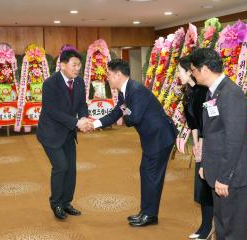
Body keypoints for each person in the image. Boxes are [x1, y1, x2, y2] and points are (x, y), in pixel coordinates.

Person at [92, 59, 177, 227]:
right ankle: (146, 212)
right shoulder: (125, 91)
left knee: (151, 175)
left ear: (118, 75)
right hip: (152, 138)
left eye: (109, 74)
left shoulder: (136, 91)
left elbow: (133, 118)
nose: (107, 78)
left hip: (160, 138)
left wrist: (125, 112)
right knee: (146, 173)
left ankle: (150, 215)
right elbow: (118, 111)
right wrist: (94, 124)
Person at [189, 48, 247, 240]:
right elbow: (213, 133)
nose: (192, 74)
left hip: (231, 175)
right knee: (222, 224)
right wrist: (207, 167)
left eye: (193, 70)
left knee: (232, 228)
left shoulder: (231, 93)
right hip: (218, 169)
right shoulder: (213, 92)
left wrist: (224, 177)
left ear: (205, 69)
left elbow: (234, 140)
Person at [36, 49, 92, 220]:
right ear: (62, 65)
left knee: (71, 170)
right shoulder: (50, 83)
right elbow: (52, 111)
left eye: (79, 65)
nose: (77, 68)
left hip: (68, 133)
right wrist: (76, 122)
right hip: (50, 133)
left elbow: (82, 103)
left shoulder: (80, 82)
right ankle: (56, 203)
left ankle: (67, 202)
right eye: (74, 65)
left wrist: (83, 117)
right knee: (61, 166)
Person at [178, 56, 213, 240]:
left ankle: (207, 228)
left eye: (180, 71)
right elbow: (193, 123)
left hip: (209, 142)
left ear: (190, 71)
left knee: (206, 187)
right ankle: (205, 226)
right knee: (201, 187)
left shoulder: (203, 92)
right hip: (200, 141)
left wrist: (201, 144)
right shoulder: (189, 91)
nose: (178, 74)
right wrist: (195, 143)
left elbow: (208, 123)